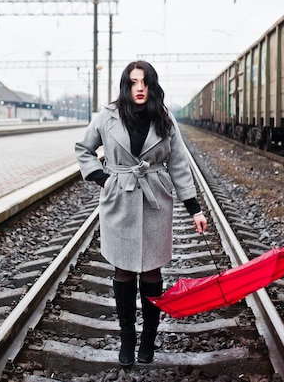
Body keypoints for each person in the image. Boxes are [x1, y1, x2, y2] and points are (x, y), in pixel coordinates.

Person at [74, 60, 207, 366]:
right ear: (126, 85)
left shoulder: (164, 117)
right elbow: (84, 148)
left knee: (151, 271)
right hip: (119, 199)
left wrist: (194, 210)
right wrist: (104, 180)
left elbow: (179, 165)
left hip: (155, 199)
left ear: (152, 85)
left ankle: (148, 338)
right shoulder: (107, 116)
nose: (139, 88)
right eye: (133, 82)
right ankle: (127, 338)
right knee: (123, 269)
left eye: (144, 82)